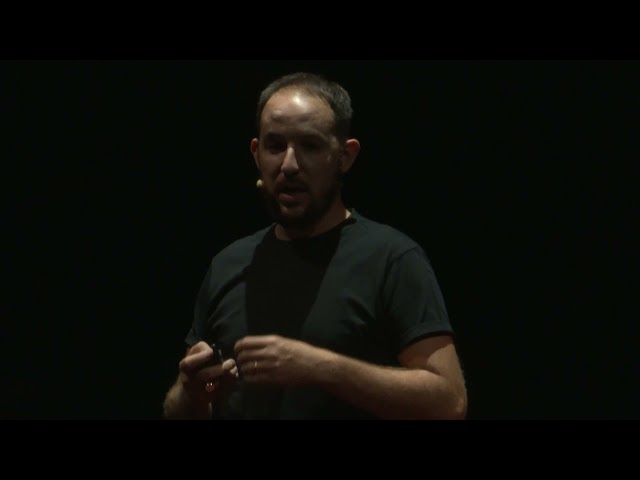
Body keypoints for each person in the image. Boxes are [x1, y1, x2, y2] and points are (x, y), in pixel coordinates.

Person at [162, 72, 467, 420]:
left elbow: (449, 403)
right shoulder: (228, 264)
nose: (289, 165)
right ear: (256, 153)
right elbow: (178, 410)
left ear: (345, 156)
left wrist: (322, 367)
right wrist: (191, 394)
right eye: (275, 146)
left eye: (310, 146)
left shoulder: (392, 259)